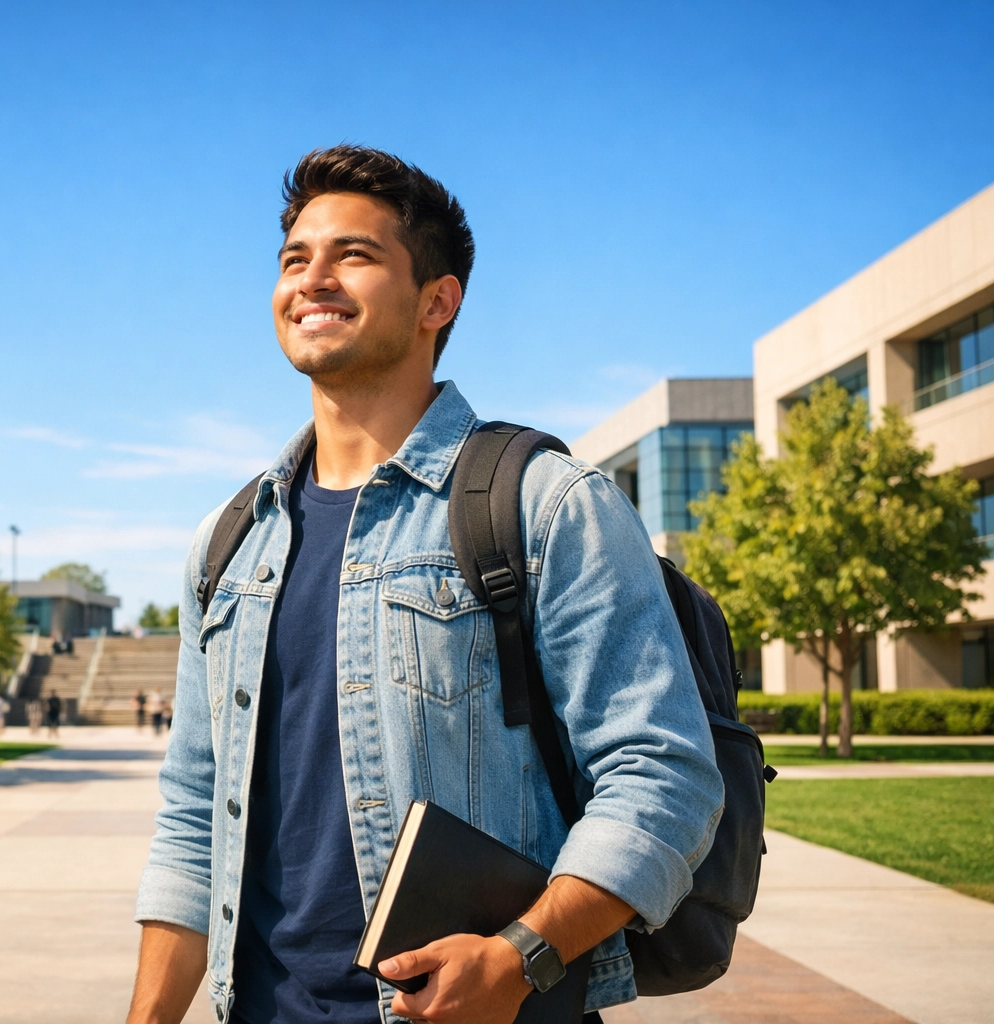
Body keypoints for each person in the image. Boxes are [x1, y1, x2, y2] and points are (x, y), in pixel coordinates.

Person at [128, 146, 723, 1024]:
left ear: (437, 302)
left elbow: (662, 774)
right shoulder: (230, 544)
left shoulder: (546, 505)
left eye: (353, 255)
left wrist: (521, 958)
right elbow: (191, 823)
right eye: (296, 259)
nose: (313, 278)